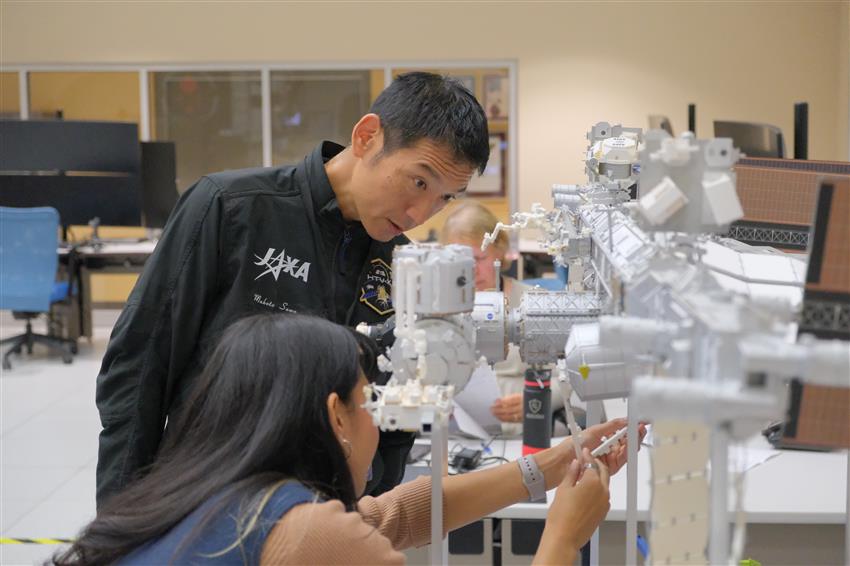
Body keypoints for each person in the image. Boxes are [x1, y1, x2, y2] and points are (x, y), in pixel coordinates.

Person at [94, 72, 491, 506]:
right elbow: (137, 368)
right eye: (419, 181)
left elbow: (395, 405)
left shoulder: (404, 266)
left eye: (444, 198)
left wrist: (368, 506)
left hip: (322, 522)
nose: (421, 213)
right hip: (207, 503)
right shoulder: (231, 209)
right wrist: (123, 522)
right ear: (367, 137)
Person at [57, 314, 641, 565]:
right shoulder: (307, 535)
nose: (378, 418)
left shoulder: (203, 495)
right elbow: (347, 538)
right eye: (369, 398)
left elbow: (389, 517)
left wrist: (552, 464)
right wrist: (564, 536)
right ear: (335, 415)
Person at [440, 200, 564, 434]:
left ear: (500, 252)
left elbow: (571, 378)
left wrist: (541, 396)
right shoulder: (437, 310)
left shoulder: (534, 303)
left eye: (478, 259)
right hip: (459, 437)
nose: (470, 270)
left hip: (527, 430)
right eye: (459, 261)